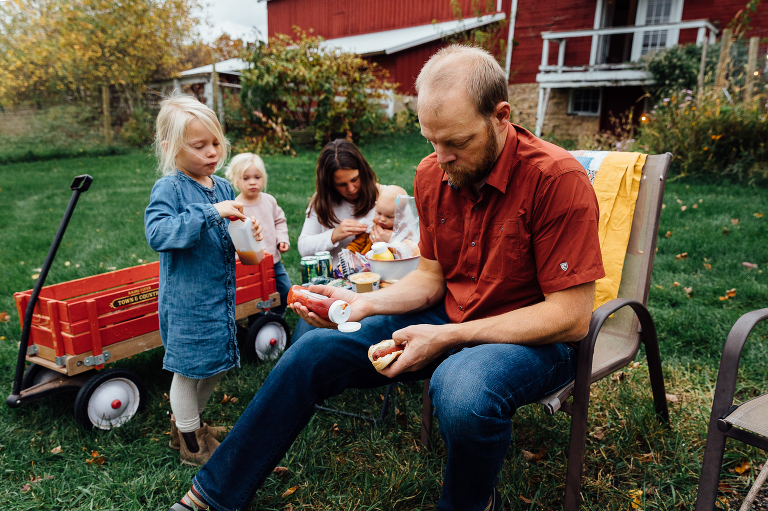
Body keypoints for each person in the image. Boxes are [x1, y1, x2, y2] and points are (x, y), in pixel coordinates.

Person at [169, 45, 605, 511]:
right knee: (310, 351)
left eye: (456, 142)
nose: (441, 159)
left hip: (535, 340)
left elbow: (572, 317)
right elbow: (432, 279)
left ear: (501, 116)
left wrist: (447, 337)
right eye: (430, 141)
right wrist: (362, 305)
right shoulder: (433, 173)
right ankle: (212, 497)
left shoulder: (556, 179)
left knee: (460, 389)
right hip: (449, 314)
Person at [145, 94, 262, 467]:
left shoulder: (223, 187)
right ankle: (192, 445)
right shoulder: (171, 188)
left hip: (218, 296)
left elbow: (226, 237)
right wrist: (210, 212)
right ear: (170, 147)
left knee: (217, 363)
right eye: (200, 146)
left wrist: (246, 233)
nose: (212, 152)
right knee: (188, 370)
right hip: (187, 301)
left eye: (216, 142)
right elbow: (159, 233)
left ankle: (188, 425)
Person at [297, 138, 385, 267]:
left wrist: (388, 239)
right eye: (341, 184)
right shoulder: (322, 202)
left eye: (354, 179)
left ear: (363, 172)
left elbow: (412, 242)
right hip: (338, 279)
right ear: (329, 184)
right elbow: (303, 248)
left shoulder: (385, 196)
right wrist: (333, 235)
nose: (351, 188)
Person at [225, 152, 292, 316]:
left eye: (257, 177)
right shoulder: (235, 207)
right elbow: (231, 234)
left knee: (285, 290)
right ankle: (257, 322)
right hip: (248, 265)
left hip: (273, 261)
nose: (252, 182)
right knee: (253, 298)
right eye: (246, 178)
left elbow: (279, 220)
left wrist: (282, 239)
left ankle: (277, 316)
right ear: (235, 180)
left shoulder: (269, 201)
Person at [346, 184, 407, 255]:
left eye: (389, 216)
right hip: (366, 263)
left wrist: (393, 241)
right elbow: (357, 243)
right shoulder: (370, 226)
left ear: (401, 216)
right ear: (376, 205)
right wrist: (348, 252)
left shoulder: (402, 232)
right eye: (379, 213)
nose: (382, 219)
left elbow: (407, 252)